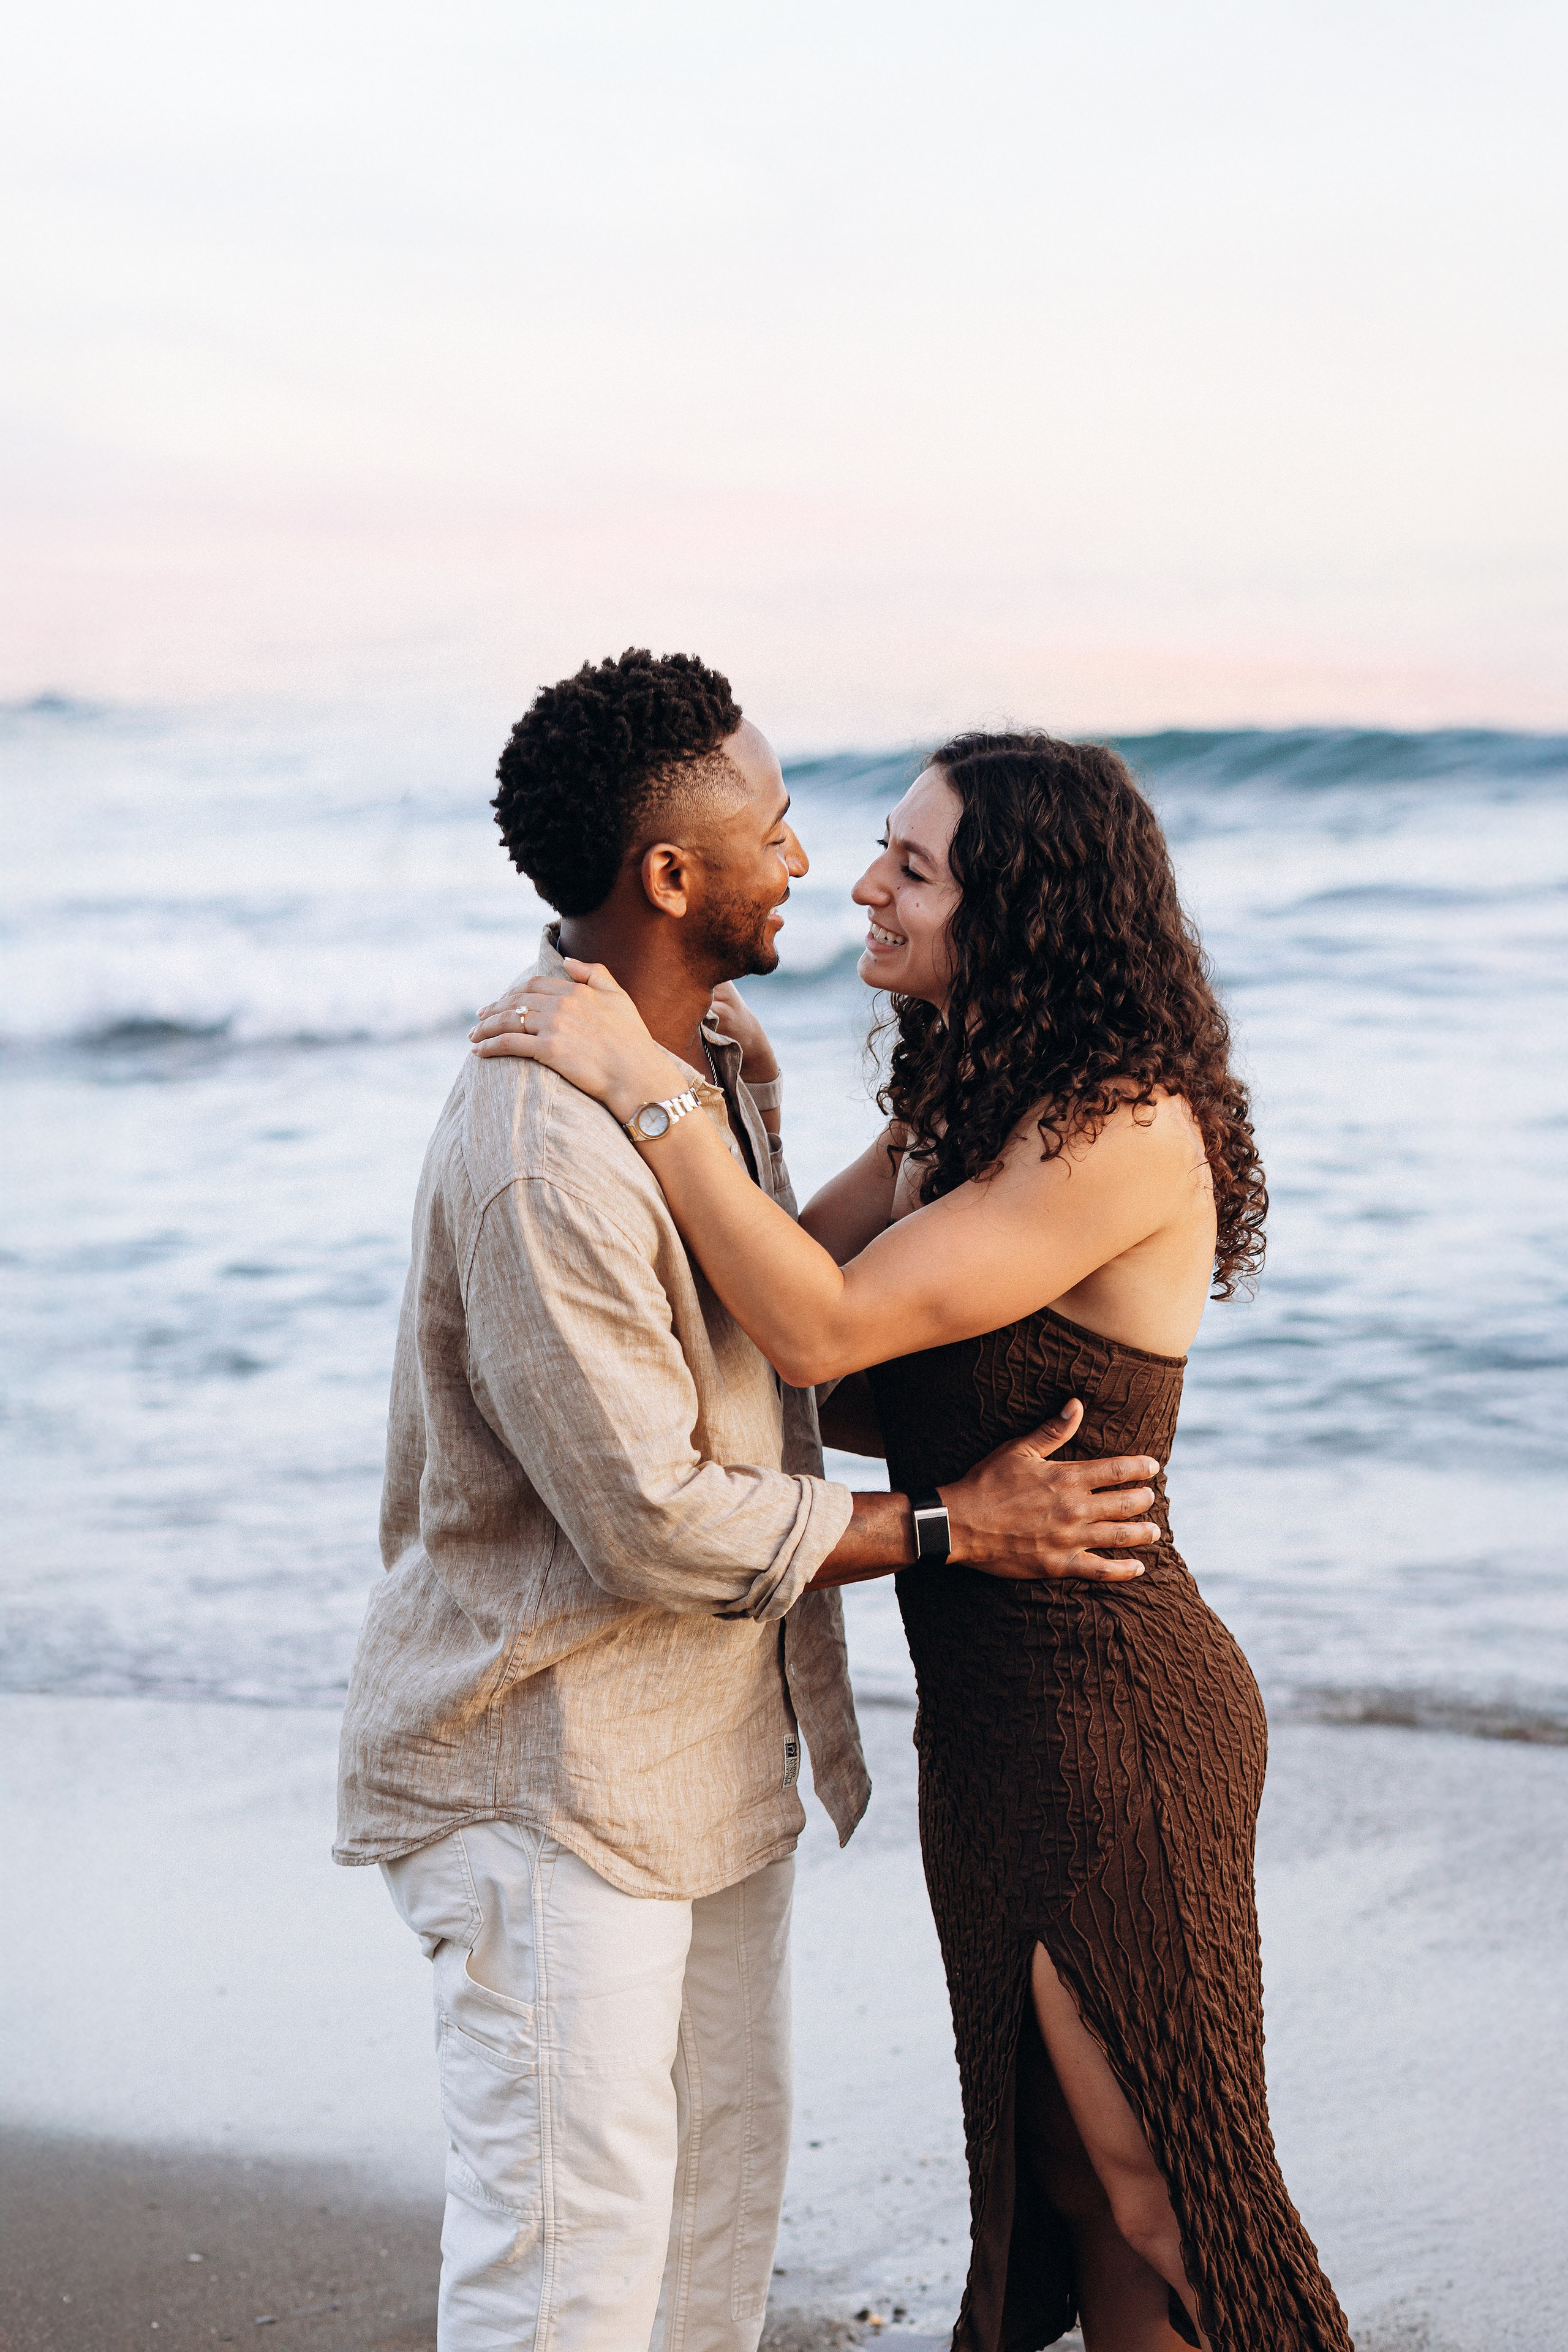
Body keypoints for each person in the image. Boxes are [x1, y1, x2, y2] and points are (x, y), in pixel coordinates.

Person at [471, 728, 1355, 2352]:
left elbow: (817, 1331)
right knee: (1070, 2202)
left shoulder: (1123, 1129)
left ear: (1017, 911)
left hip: (1122, 1718)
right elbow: (782, 1347)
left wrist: (642, 1079)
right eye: (877, 846)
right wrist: (715, 1090)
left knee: (1171, 2191)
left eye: (913, 867)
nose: (862, 884)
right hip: (992, 1728)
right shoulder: (962, 1107)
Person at [336, 653, 1167, 2352]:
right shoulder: (539, 1145)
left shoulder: (717, 1056)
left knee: (712, 2221)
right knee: (567, 2259)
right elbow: (656, 1513)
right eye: (781, 827)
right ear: (671, 877)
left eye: (869, 849)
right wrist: (954, 1525)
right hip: (552, 1760)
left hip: (709, 1749)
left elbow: (795, 1344)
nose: (813, 864)